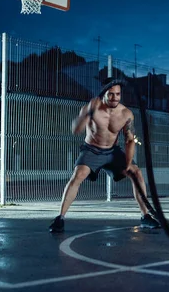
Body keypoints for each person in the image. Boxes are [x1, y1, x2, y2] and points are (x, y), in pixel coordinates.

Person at [49, 79, 160, 233]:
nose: (115, 98)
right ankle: (60, 218)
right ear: (104, 93)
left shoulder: (125, 114)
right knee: (78, 175)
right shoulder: (92, 108)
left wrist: (127, 164)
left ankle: (145, 217)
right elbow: (76, 130)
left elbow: (129, 140)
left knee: (137, 173)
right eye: (111, 94)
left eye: (118, 94)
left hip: (113, 151)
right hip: (91, 150)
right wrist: (87, 113)